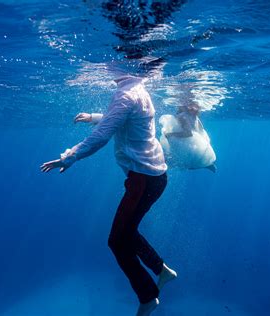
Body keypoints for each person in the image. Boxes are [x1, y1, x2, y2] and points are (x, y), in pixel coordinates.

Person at [40, 75, 177, 316]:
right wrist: (93, 117)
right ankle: (161, 270)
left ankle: (148, 296)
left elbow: (102, 136)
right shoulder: (137, 89)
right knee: (127, 233)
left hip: (142, 180)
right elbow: (121, 121)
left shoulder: (126, 94)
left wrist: (69, 157)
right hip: (153, 177)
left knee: (117, 241)